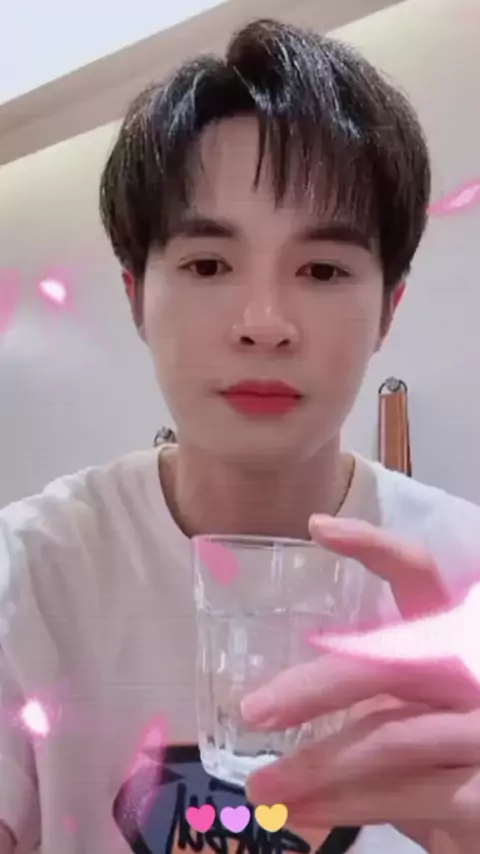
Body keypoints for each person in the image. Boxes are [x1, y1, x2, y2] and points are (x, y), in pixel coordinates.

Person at [0, 16, 479, 854]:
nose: (264, 322)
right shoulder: (31, 572)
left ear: (388, 310)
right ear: (136, 297)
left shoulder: (465, 575)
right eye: (208, 265)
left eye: (322, 269)